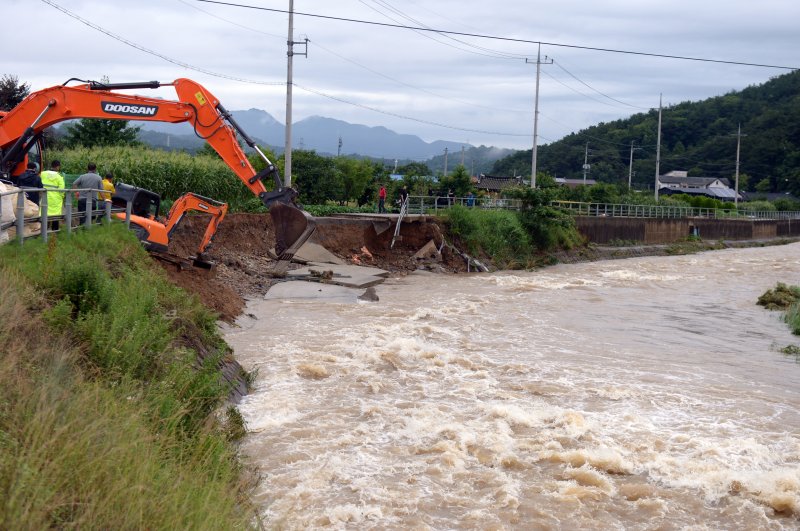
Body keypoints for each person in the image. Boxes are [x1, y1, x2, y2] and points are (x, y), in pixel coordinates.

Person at [40, 160, 65, 231]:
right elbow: (61, 190)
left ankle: (44, 232)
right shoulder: (59, 177)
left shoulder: (43, 174)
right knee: (55, 216)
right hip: (55, 200)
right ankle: (54, 233)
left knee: (45, 215)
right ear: (58, 167)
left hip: (45, 197)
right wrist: (62, 197)